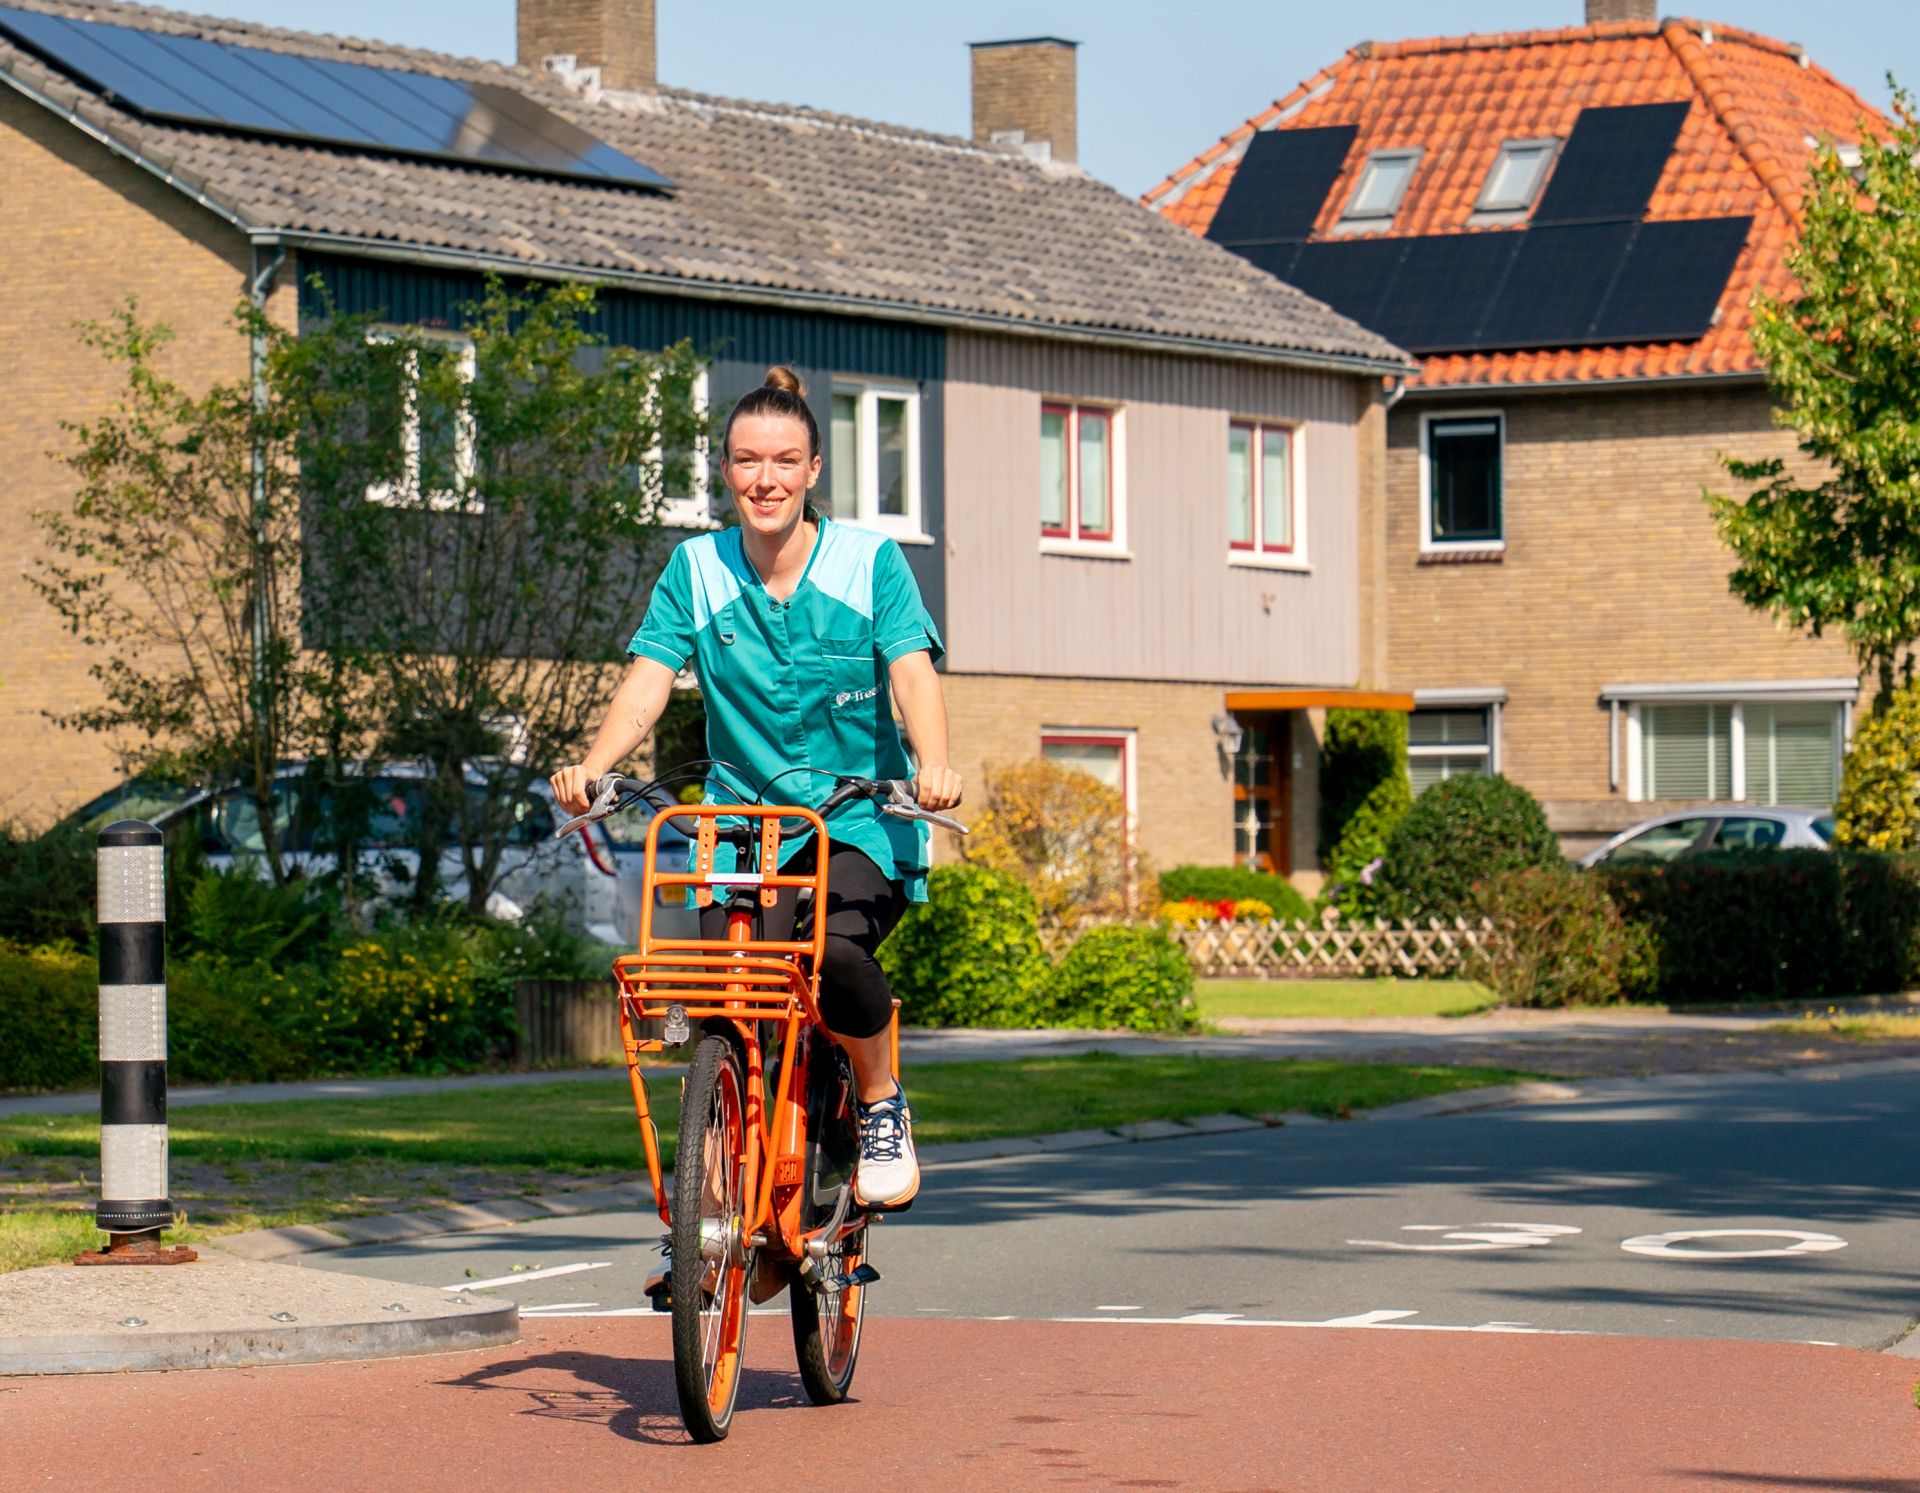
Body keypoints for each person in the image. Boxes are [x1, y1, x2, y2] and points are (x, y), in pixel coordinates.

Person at [551, 365, 960, 1208]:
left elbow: (913, 675)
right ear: (725, 471)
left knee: (832, 955)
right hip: (743, 826)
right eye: (746, 461)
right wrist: (592, 767)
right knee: (728, 1002)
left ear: (814, 472)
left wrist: (935, 762)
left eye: (784, 461)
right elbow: (648, 681)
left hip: (858, 822)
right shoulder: (695, 570)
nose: (764, 479)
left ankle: (881, 1101)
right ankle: (716, 1221)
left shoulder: (870, 563)